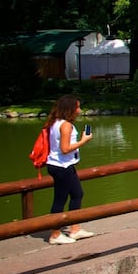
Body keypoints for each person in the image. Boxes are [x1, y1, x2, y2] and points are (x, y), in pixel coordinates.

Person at [44, 95, 94, 245]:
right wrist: (83, 141)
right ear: (70, 109)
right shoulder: (65, 125)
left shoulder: (56, 122)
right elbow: (65, 149)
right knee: (60, 199)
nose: (79, 110)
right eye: (77, 107)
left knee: (77, 194)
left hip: (65, 165)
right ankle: (55, 234)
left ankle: (75, 228)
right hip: (61, 166)